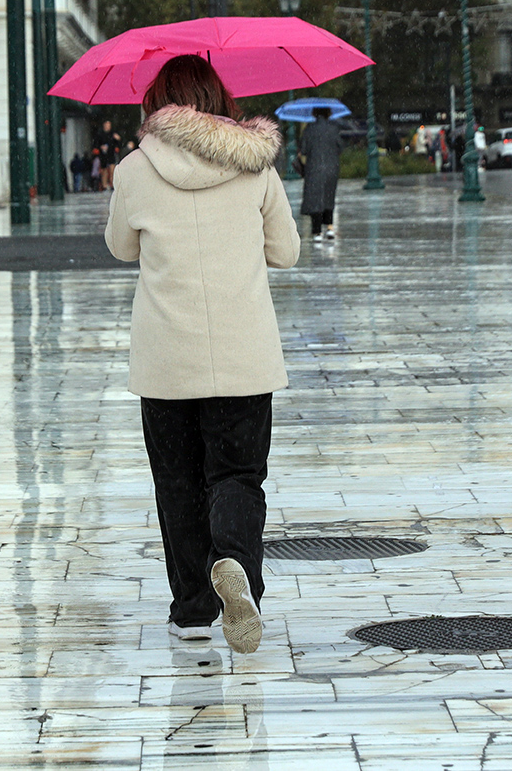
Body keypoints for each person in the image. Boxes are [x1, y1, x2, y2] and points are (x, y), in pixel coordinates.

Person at [104, 54, 300, 654]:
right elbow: (287, 252)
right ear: (220, 97)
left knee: (177, 483)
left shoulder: (135, 169)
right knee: (238, 475)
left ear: (158, 103)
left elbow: (118, 247)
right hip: (243, 354)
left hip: (166, 359)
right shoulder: (256, 168)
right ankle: (236, 563)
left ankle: (191, 610)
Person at [300, 107, 344, 241]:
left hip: (314, 168)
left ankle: (317, 231)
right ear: (329, 113)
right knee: (328, 197)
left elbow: (304, 149)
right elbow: (340, 147)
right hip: (331, 168)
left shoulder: (309, 129)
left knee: (315, 199)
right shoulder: (334, 128)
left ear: (314, 113)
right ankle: (330, 228)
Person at [95, 120, 122, 190]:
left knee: (112, 169)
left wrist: (118, 139)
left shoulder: (113, 134)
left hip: (111, 153)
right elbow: (96, 144)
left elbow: (118, 144)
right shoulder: (100, 134)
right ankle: (104, 185)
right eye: (107, 125)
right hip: (103, 154)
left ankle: (112, 184)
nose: (108, 126)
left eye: (109, 125)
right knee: (104, 170)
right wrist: (101, 147)